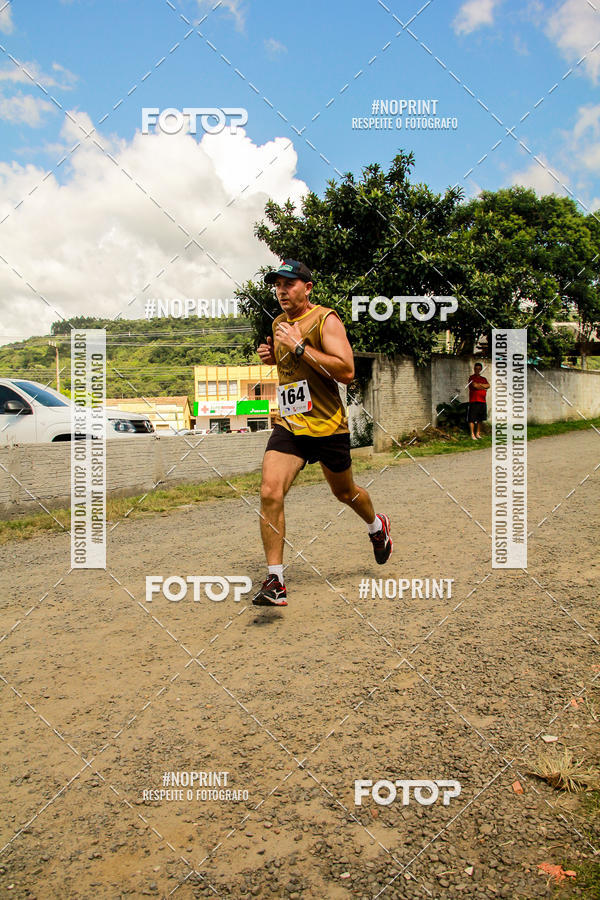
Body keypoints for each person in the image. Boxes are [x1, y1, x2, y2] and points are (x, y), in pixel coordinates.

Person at [253, 259, 392, 607]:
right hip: (291, 425)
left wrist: (300, 346)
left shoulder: (325, 320)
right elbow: (292, 367)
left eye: (289, 284)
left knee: (345, 493)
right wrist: (274, 356)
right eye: (278, 285)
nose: (282, 291)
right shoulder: (278, 323)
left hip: (328, 426)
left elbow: (346, 370)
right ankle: (276, 580)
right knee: (270, 491)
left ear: (308, 287)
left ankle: (376, 526)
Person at [467, 362, 490, 440]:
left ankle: (478, 434)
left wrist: (480, 385)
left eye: (479, 369)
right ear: (474, 369)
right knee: (472, 418)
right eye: (476, 369)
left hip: (482, 401)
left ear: (481, 370)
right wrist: (483, 386)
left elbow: (488, 385)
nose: (478, 370)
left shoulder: (484, 379)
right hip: (474, 401)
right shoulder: (471, 378)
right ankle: (472, 434)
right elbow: (475, 386)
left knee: (480, 419)